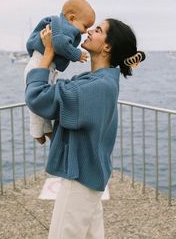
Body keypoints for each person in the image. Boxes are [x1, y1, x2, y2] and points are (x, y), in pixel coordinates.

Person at [25, 18, 145, 239]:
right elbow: (61, 94)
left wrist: (47, 55)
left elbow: (38, 98)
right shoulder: (99, 81)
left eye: (98, 30)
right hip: (90, 177)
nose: (89, 31)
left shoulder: (96, 87)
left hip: (80, 180)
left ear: (107, 46)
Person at [24, 0, 95, 144]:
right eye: (85, 26)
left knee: (44, 100)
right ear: (71, 18)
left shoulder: (60, 26)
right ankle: (37, 132)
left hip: (44, 65)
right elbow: (60, 44)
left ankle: (48, 130)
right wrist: (76, 54)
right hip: (40, 65)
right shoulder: (64, 28)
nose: (85, 31)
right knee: (37, 103)